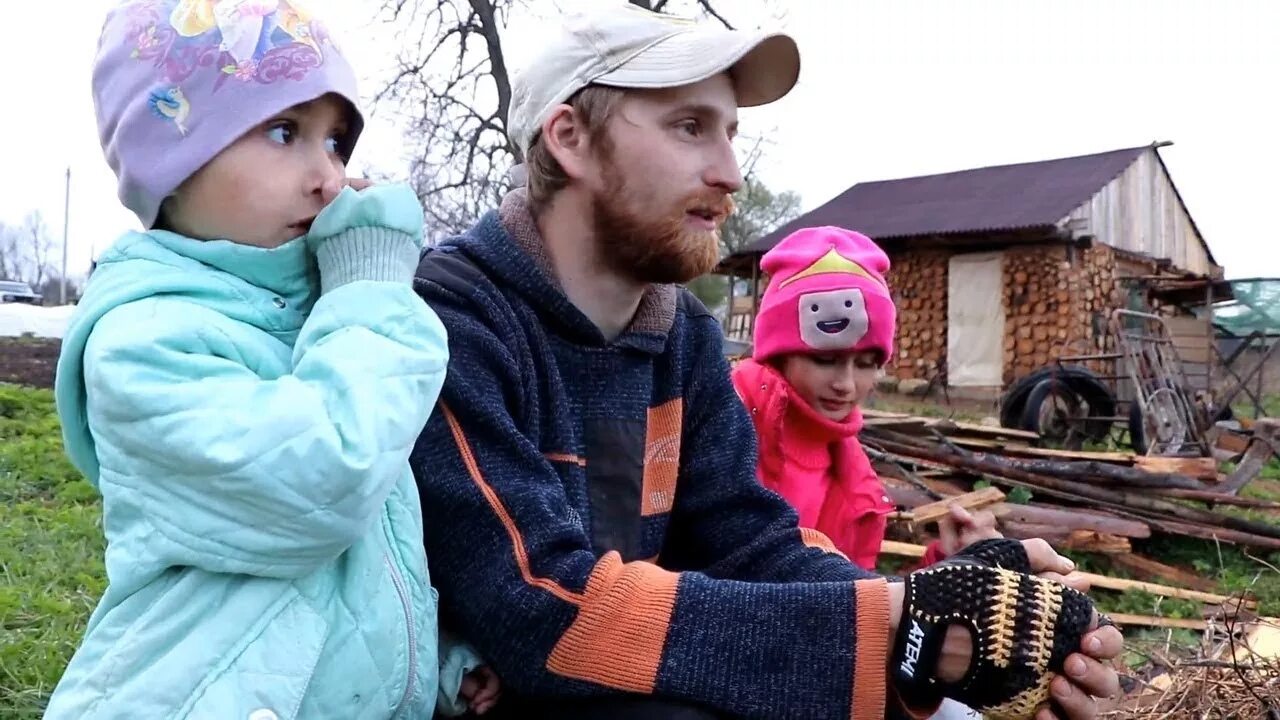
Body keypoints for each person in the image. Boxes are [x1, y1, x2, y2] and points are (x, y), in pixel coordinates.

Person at [411, 4, 1123, 719]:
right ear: (569, 138)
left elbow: (750, 548)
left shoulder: (681, 336)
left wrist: (939, 627)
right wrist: (895, 631)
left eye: (730, 134)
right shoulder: (452, 322)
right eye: (690, 127)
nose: (730, 174)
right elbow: (543, 611)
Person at [46, 1, 494, 717]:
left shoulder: (322, 321)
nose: (331, 179)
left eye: (337, 144)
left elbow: (350, 566)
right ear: (172, 162)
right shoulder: (145, 344)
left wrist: (432, 656)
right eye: (285, 131)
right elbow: (328, 482)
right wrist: (373, 288)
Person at [731, 226, 1000, 572]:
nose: (845, 384)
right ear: (777, 356)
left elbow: (852, 604)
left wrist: (945, 564)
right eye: (825, 361)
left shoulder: (851, 473)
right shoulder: (724, 436)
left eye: (866, 364)